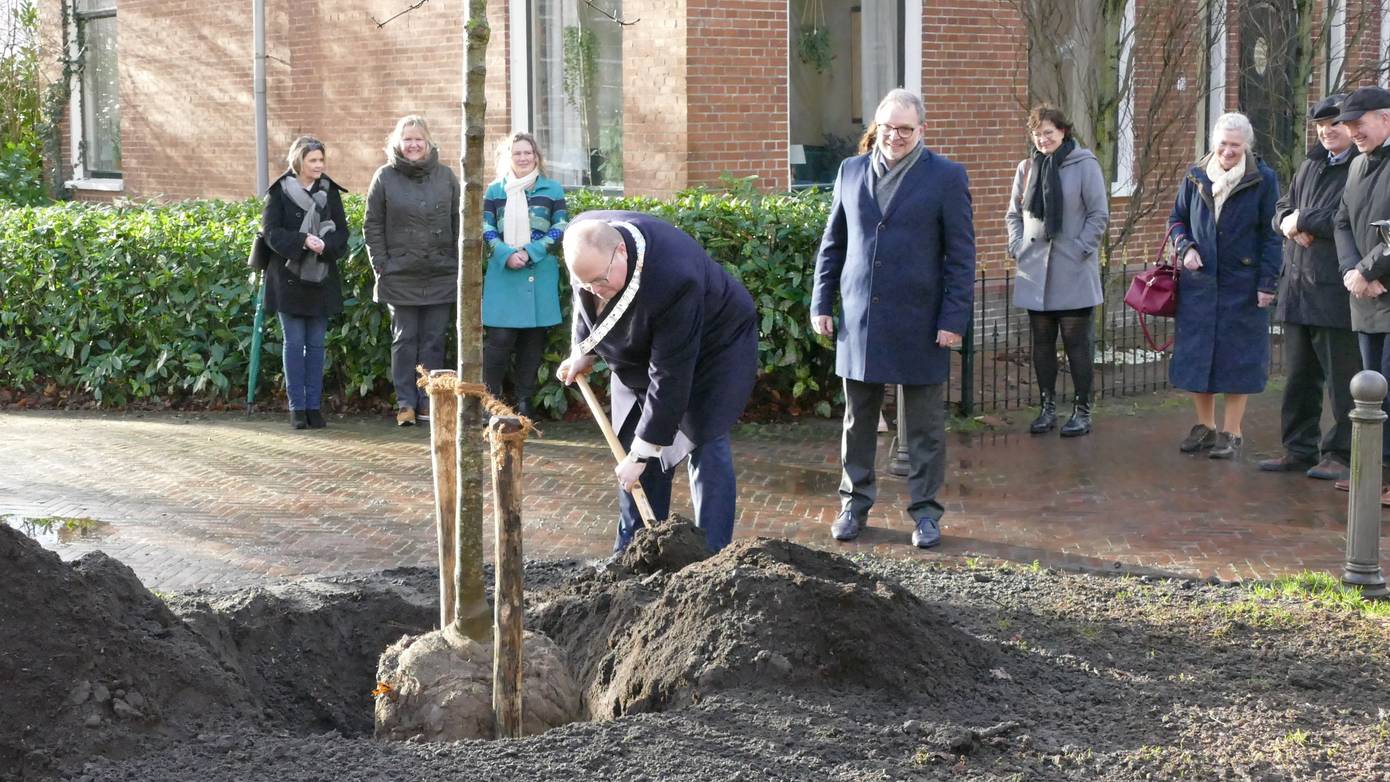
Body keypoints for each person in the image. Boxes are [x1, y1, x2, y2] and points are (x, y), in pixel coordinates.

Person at [810, 88, 977, 549]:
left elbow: (961, 257)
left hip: (922, 321)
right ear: (876, 128)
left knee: (923, 427)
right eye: (889, 128)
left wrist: (953, 319)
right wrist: (821, 303)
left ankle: (925, 513)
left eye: (906, 129)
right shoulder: (850, 171)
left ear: (921, 130)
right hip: (860, 318)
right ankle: (854, 505)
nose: (896, 137)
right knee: (857, 421)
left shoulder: (946, 177)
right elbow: (834, 245)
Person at [555, 213, 758, 555]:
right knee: (632, 436)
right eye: (588, 282)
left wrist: (643, 452)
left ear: (621, 251)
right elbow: (584, 301)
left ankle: (710, 556)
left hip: (714, 346)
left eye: (601, 281)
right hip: (646, 341)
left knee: (704, 441)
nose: (596, 290)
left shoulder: (675, 278)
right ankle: (634, 549)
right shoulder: (586, 242)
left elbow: (669, 376)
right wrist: (583, 349)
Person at [1168, 112, 1282, 459]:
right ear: (1213, 143)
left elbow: (1271, 234)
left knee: (1238, 358)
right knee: (1197, 356)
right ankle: (1205, 426)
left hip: (1242, 283)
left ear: (1247, 145)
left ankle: (1232, 432)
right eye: (1223, 144)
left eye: (1235, 145)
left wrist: (1267, 282)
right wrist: (1185, 247)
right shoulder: (1195, 176)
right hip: (1200, 282)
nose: (1228, 151)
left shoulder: (1263, 179)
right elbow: (1176, 220)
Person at [1257, 95, 1359, 480]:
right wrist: (1288, 220)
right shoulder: (1311, 164)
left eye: (1334, 124)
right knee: (1298, 376)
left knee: (1343, 380)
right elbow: (1282, 207)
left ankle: (1340, 452)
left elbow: (1347, 219)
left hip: (1334, 290)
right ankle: (1298, 448)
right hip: (1298, 286)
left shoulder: (1359, 168)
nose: (1327, 131)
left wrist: (1303, 220)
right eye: (1320, 126)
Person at [1005, 105, 1110, 437]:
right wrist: (1017, 247)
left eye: (1048, 133)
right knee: (1042, 344)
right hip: (1035, 271)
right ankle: (1047, 407)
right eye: (1037, 134)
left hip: (1072, 268)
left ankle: (1082, 410)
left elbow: (1098, 215)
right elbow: (1013, 215)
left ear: (1063, 131)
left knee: (1077, 344)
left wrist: (1080, 249)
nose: (1043, 139)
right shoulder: (1026, 168)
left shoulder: (1085, 165)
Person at [364, 115, 461, 427]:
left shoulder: (446, 177)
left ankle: (428, 401)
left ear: (428, 142)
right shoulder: (384, 177)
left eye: (419, 138)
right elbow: (372, 224)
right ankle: (405, 402)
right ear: (398, 142)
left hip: (441, 272)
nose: (414, 144)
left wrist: (459, 261)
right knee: (404, 339)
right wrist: (381, 264)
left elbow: (460, 221)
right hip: (400, 273)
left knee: (434, 339)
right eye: (408, 139)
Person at [261, 135, 348, 430]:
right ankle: (297, 408)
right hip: (288, 279)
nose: (319, 165)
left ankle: (314, 406)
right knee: (294, 343)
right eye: (313, 160)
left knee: (317, 345)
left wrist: (325, 245)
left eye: (321, 160)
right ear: (299, 161)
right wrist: (303, 241)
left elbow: (342, 235)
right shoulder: (279, 191)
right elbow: (271, 233)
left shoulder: (329, 191)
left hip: (321, 277)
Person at [481, 132, 568, 418]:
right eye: (516, 153)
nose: (522, 157)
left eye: (527, 152)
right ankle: (491, 403)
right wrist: (507, 254)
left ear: (536, 156)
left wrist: (530, 252)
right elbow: (486, 228)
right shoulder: (495, 191)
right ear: (508, 157)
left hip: (538, 272)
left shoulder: (552, 189)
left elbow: (561, 225)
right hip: (504, 274)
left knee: (532, 344)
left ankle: (523, 403)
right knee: (499, 342)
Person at [1333, 85, 1390, 500]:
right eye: (1348, 125)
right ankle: (1373, 474)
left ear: (1385, 119)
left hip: (1384, 289)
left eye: (1358, 123)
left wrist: (1370, 272)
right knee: (1369, 393)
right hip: (1366, 300)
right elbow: (1340, 222)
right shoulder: (1356, 166)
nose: (1352, 131)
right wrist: (1353, 271)